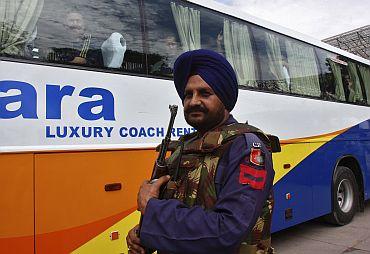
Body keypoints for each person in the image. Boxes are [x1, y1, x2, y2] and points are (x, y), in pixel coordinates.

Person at [126, 49, 275, 254]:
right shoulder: (185, 147)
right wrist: (145, 234)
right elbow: (181, 208)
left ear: (224, 98)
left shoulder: (245, 147)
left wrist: (152, 209)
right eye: (188, 94)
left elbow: (228, 230)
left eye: (205, 93)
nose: (194, 101)